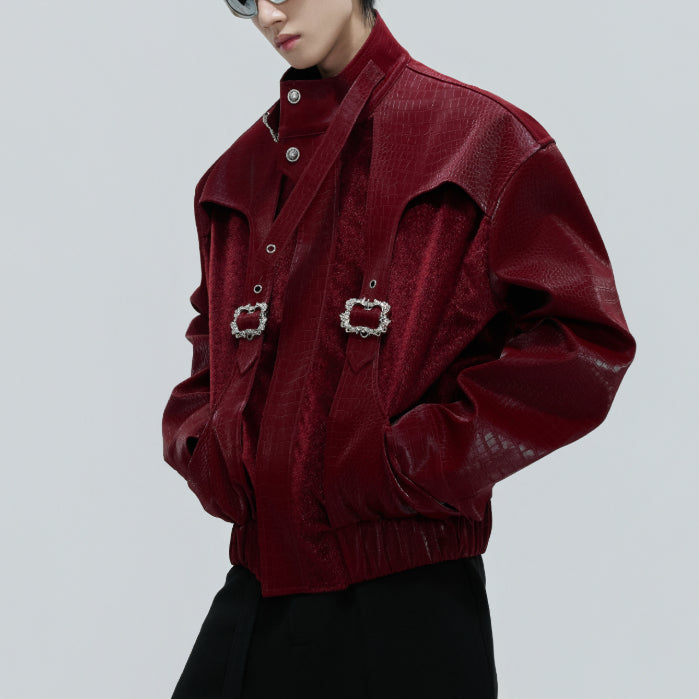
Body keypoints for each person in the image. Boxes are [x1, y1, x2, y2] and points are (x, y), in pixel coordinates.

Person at [162, 1, 636, 697]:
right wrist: (211, 449)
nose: (266, 13)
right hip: (256, 590)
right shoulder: (233, 179)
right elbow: (211, 349)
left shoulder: (479, 141)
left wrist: (407, 461)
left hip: (409, 603)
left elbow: (583, 342)